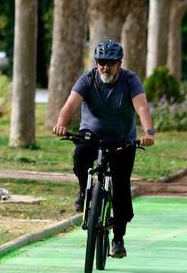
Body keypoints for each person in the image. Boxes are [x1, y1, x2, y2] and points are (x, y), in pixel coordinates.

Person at [51, 39, 155, 259]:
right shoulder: (88, 79)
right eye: (101, 62)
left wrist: (148, 132)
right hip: (92, 134)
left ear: (119, 63)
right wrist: (61, 123)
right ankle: (83, 191)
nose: (104, 67)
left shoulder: (130, 80)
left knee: (121, 188)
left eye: (110, 62)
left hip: (122, 140)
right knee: (80, 156)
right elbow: (71, 103)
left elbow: (141, 106)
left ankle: (118, 239)